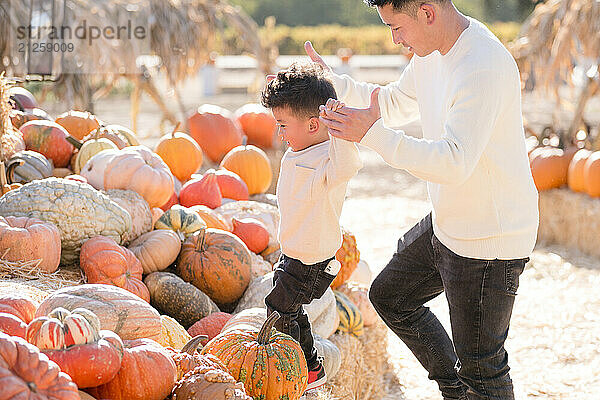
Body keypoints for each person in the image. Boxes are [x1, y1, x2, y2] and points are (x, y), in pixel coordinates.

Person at [308, 1, 539, 399]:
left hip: (488, 242)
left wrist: (372, 134)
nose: (395, 38)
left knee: (484, 369)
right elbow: (392, 103)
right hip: (450, 223)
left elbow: (453, 162)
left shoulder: (482, 65)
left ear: (427, 12)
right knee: (390, 296)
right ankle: (457, 390)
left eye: (396, 26)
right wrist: (331, 83)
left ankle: (469, 388)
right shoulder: (431, 53)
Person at [260, 62, 363, 391]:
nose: (280, 133)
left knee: (279, 308)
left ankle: (299, 368)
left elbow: (350, 164)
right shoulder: (298, 148)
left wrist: (339, 131)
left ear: (315, 124)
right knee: (291, 310)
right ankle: (310, 366)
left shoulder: (330, 160)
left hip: (313, 260)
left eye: (283, 124)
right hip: (293, 253)